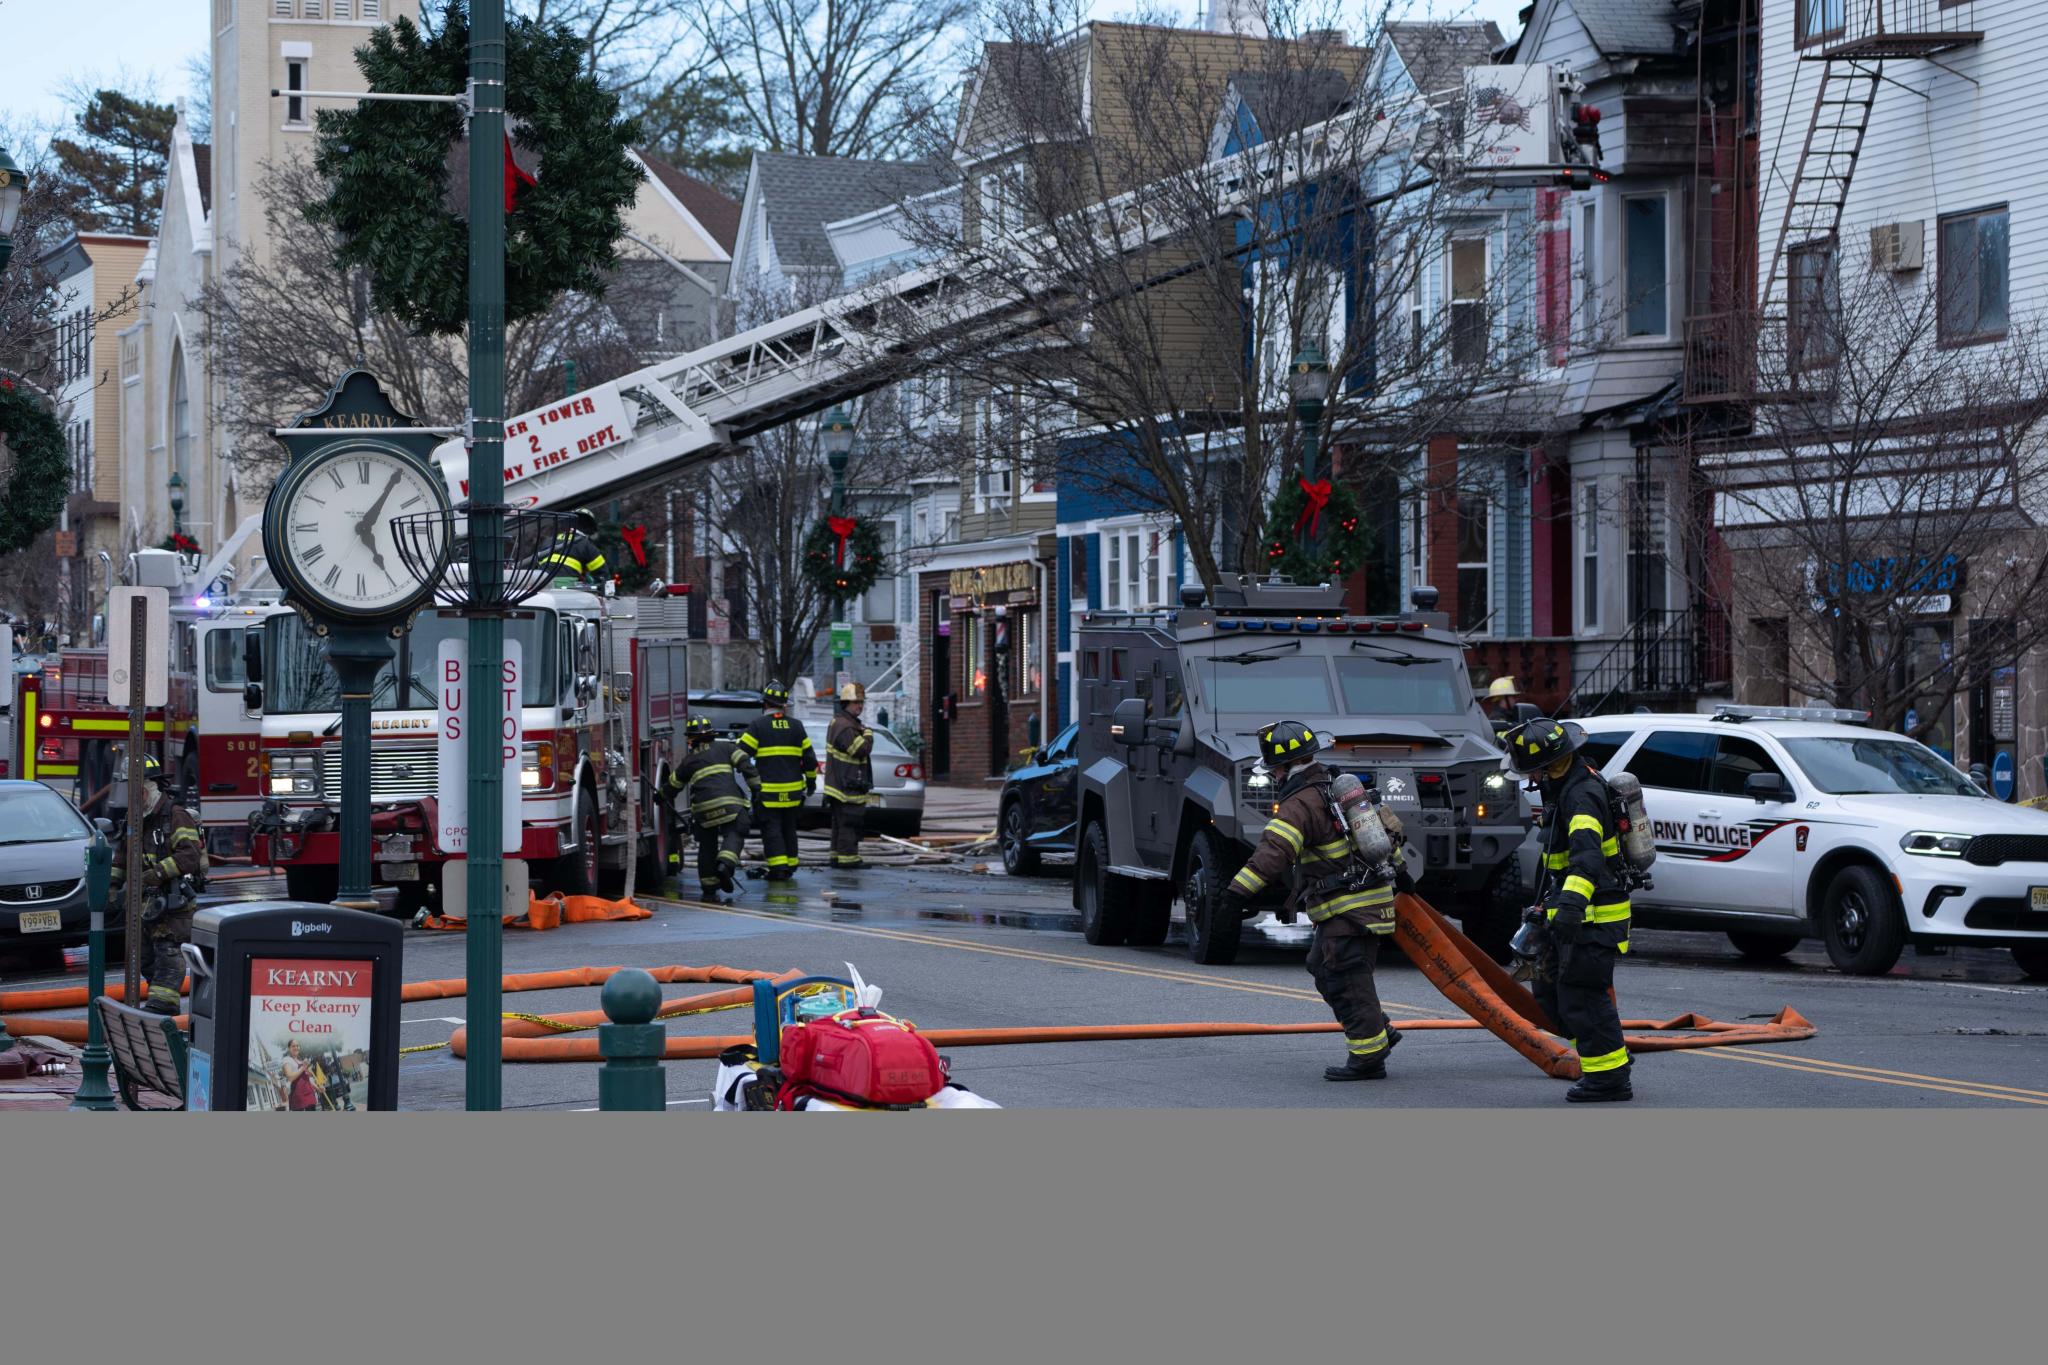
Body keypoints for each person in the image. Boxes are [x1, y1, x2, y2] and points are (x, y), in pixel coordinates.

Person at [1221, 721, 1405, 1082]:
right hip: (1360, 902)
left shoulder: (1298, 804)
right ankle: (1380, 1033)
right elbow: (1384, 838)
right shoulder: (1334, 786)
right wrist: (1404, 874)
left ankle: (1368, 1058)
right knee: (1322, 967)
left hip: (1350, 908)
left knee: (1347, 979)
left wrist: (1234, 895)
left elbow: (1272, 854)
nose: (1273, 775)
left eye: (1273, 767)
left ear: (1284, 766)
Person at [1506, 715, 1635, 1103]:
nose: (1532, 780)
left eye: (1534, 771)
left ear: (1552, 765)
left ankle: (1609, 1078)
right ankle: (1609, 1058)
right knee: (1552, 995)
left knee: (1583, 997)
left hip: (1593, 917)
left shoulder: (1581, 797)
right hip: (1569, 912)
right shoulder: (1565, 791)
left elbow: (1587, 860)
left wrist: (1571, 909)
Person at [109, 753, 209, 1016]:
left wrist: (157, 873)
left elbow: (189, 856)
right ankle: (164, 1007)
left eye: (134, 789)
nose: (131, 796)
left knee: (168, 955)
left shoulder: (175, 816)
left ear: (146, 788)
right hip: (144, 905)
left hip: (172, 904)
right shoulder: (136, 817)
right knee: (143, 957)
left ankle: (163, 1009)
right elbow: (122, 855)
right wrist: (111, 885)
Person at [660, 715, 757, 897]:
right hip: (730, 804)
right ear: (712, 734)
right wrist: (757, 789)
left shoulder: (688, 761)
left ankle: (709, 884)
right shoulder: (727, 747)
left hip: (703, 811)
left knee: (707, 845)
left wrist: (660, 796)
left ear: (691, 739)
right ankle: (724, 865)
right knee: (737, 829)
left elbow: (672, 785)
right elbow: (746, 766)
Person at [737, 683, 815, 881]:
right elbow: (809, 758)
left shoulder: (758, 726)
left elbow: (740, 753)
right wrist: (812, 782)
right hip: (793, 793)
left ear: (765, 704)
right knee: (789, 828)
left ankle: (779, 868)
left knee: (772, 830)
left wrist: (750, 777)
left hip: (768, 792)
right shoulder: (797, 726)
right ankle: (790, 864)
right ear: (784, 706)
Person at [823, 681, 876, 871]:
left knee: (840, 822)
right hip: (847, 784)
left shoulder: (841, 722)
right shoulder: (846, 727)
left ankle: (836, 857)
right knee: (850, 822)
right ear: (846, 703)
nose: (860, 706)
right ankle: (848, 859)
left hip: (842, 782)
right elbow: (860, 749)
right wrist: (868, 735)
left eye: (861, 703)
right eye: (856, 703)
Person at [540, 508, 608, 586]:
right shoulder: (585, 544)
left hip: (542, 584)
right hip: (567, 585)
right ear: (589, 529)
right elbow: (602, 573)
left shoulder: (550, 540)